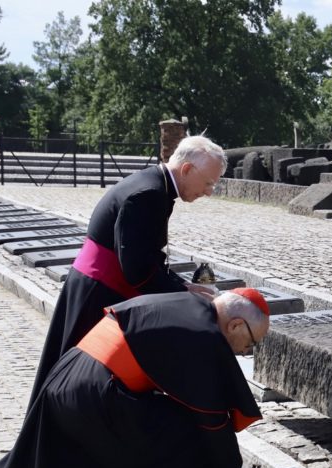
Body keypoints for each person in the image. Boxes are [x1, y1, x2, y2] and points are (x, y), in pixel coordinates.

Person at [0, 288, 274, 468]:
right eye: (251, 343)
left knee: (172, 419)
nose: (246, 352)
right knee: (187, 431)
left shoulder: (191, 306)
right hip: (94, 396)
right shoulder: (205, 335)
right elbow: (212, 421)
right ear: (235, 325)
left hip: (69, 379)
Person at [27, 135, 228, 404]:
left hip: (97, 287)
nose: (208, 191)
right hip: (98, 293)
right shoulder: (149, 194)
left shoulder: (155, 185)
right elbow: (138, 270)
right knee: (76, 383)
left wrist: (184, 285)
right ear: (187, 169)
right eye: (208, 182)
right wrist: (182, 294)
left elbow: (145, 254)